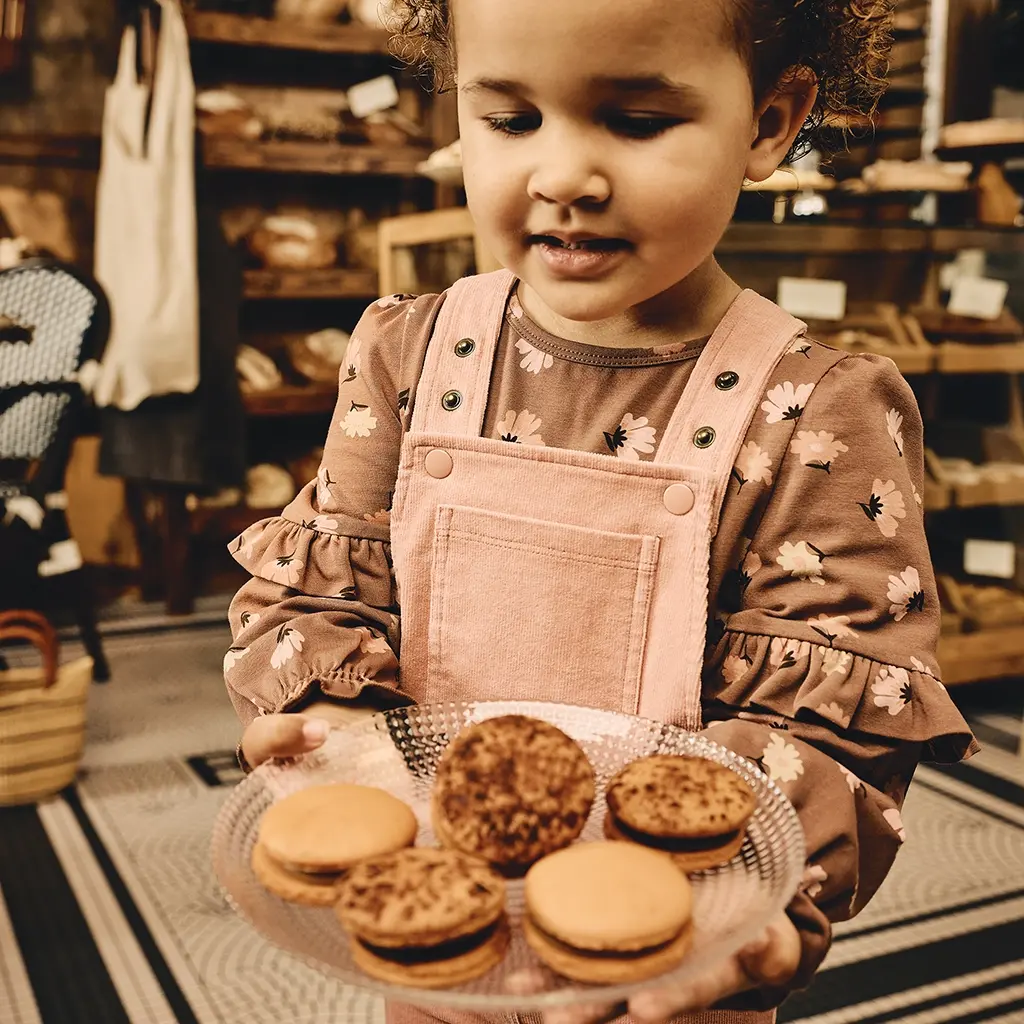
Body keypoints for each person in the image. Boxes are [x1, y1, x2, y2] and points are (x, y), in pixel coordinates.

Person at [225, 0, 978, 1020]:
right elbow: (320, 595)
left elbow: (831, 726)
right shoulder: (403, 355)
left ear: (769, 121)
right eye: (508, 118)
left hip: (676, 966)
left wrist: (740, 893)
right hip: (443, 928)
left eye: (633, 120)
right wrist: (329, 724)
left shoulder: (817, 411)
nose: (562, 177)